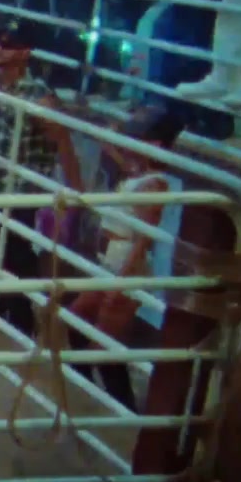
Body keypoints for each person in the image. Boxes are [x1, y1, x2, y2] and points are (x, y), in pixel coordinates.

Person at [0, 22, 81, 340]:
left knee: (13, 255)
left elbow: (62, 138)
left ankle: (21, 320)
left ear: (25, 52)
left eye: (8, 44)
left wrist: (77, 188)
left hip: (17, 190)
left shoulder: (38, 96)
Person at [58, 107, 184, 413]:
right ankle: (88, 388)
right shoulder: (141, 174)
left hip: (127, 267)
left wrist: (122, 281)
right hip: (112, 263)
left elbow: (144, 239)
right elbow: (117, 153)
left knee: (104, 346)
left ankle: (122, 407)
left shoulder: (155, 184)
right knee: (76, 319)